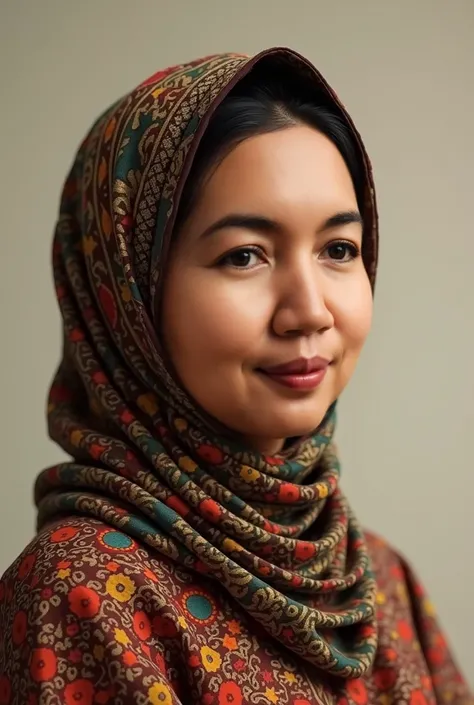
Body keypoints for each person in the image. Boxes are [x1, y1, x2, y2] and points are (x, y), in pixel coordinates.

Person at [0, 47, 471, 705]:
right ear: (130, 294)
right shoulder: (83, 589)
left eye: (339, 249)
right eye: (245, 255)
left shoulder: (377, 581)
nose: (309, 310)